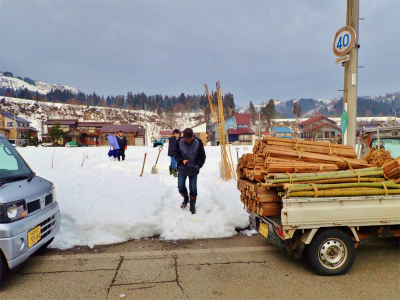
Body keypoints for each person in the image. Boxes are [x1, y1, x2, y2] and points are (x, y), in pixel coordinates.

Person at [174, 128, 206, 214]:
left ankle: (192, 205)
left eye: (189, 139)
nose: (187, 141)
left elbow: (202, 156)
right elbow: (176, 154)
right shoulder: (179, 142)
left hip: (193, 169)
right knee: (181, 187)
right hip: (182, 168)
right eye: (185, 139)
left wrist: (198, 165)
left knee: (193, 189)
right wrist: (181, 160)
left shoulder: (198, 142)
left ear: (193, 136)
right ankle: (185, 199)